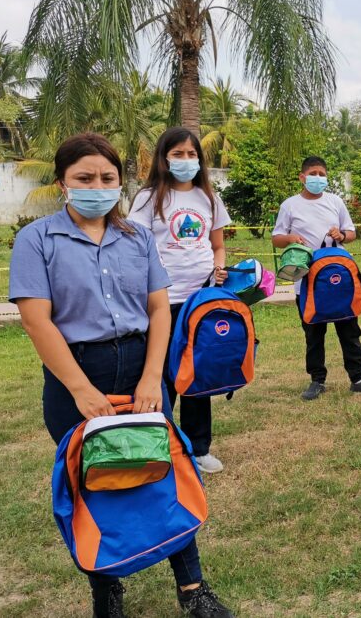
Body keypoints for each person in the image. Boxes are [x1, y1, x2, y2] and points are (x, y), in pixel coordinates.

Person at [9, 133, 232, 618]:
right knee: (93, 482)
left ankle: (193, 587)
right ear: (62, 183)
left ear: (120, 182)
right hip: (75, 376)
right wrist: (82, 390)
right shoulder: (36, 240)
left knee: (163, 474)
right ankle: (105, 588)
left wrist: (153, 378)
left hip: (140, 369)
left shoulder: (135, 237)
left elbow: (158, 309)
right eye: (84, 178)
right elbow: (36, 320)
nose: (97, 186)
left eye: (107, 178)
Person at [128, 127, 231, 474]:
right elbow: (135, 248)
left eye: (191, 154)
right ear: (164, 158)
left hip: (200, 300)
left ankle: (198, 449)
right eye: (178, 154)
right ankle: (162, 449)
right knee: (161, 376)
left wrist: (218, 269)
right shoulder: (147, 198)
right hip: (161, 303)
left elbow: (217, 246)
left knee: (196, 373)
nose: (186, 160)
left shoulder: (209, 198)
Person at [272, 156, 361, 401]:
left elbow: (352, 233)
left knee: (349, 329)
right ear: (302, 177)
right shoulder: (290, 205)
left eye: (322, 173)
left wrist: (341, 234)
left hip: (337, 278)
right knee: (313, 333)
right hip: (307, 280)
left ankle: (359, 378)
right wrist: (291, 238)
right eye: (313, 173)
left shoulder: (335, 201)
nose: (318, 178)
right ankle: (317, 380)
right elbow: (277, 238)